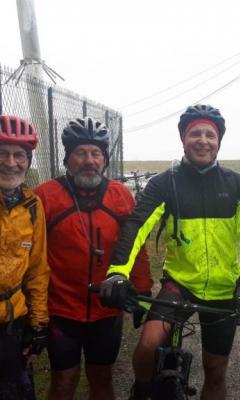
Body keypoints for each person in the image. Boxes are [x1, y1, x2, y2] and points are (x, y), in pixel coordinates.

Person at [99, 104, 240, 400]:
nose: (203, 140)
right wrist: (118, 272)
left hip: (224, 289)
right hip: (180, 283)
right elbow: (137, 226)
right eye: (195, 133)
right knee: (148, 345)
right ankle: (142, 392)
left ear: (219, 141)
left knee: (215, 371)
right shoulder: (165, 182)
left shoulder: (235, 183)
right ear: (183, 139)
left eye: (210, 135)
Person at [35, 117, 153, 400]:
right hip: (62, 311)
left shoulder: (120, 195)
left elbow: (136, 247)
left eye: (96, 153)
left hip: (107, 310)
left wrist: (143, 291)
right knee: (64, 381)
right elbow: (32, 255)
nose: (89, 160)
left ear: (104, 159)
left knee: (102, 379)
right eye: (80, 153)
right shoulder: (46, 196)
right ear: (67, 158)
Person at [0, 115, 49, 399]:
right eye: (2, 153)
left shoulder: (32, 205)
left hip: (13, 323)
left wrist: (38, 323)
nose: (10, 162)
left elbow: (37, 268)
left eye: (19, 155)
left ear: (28, 161)